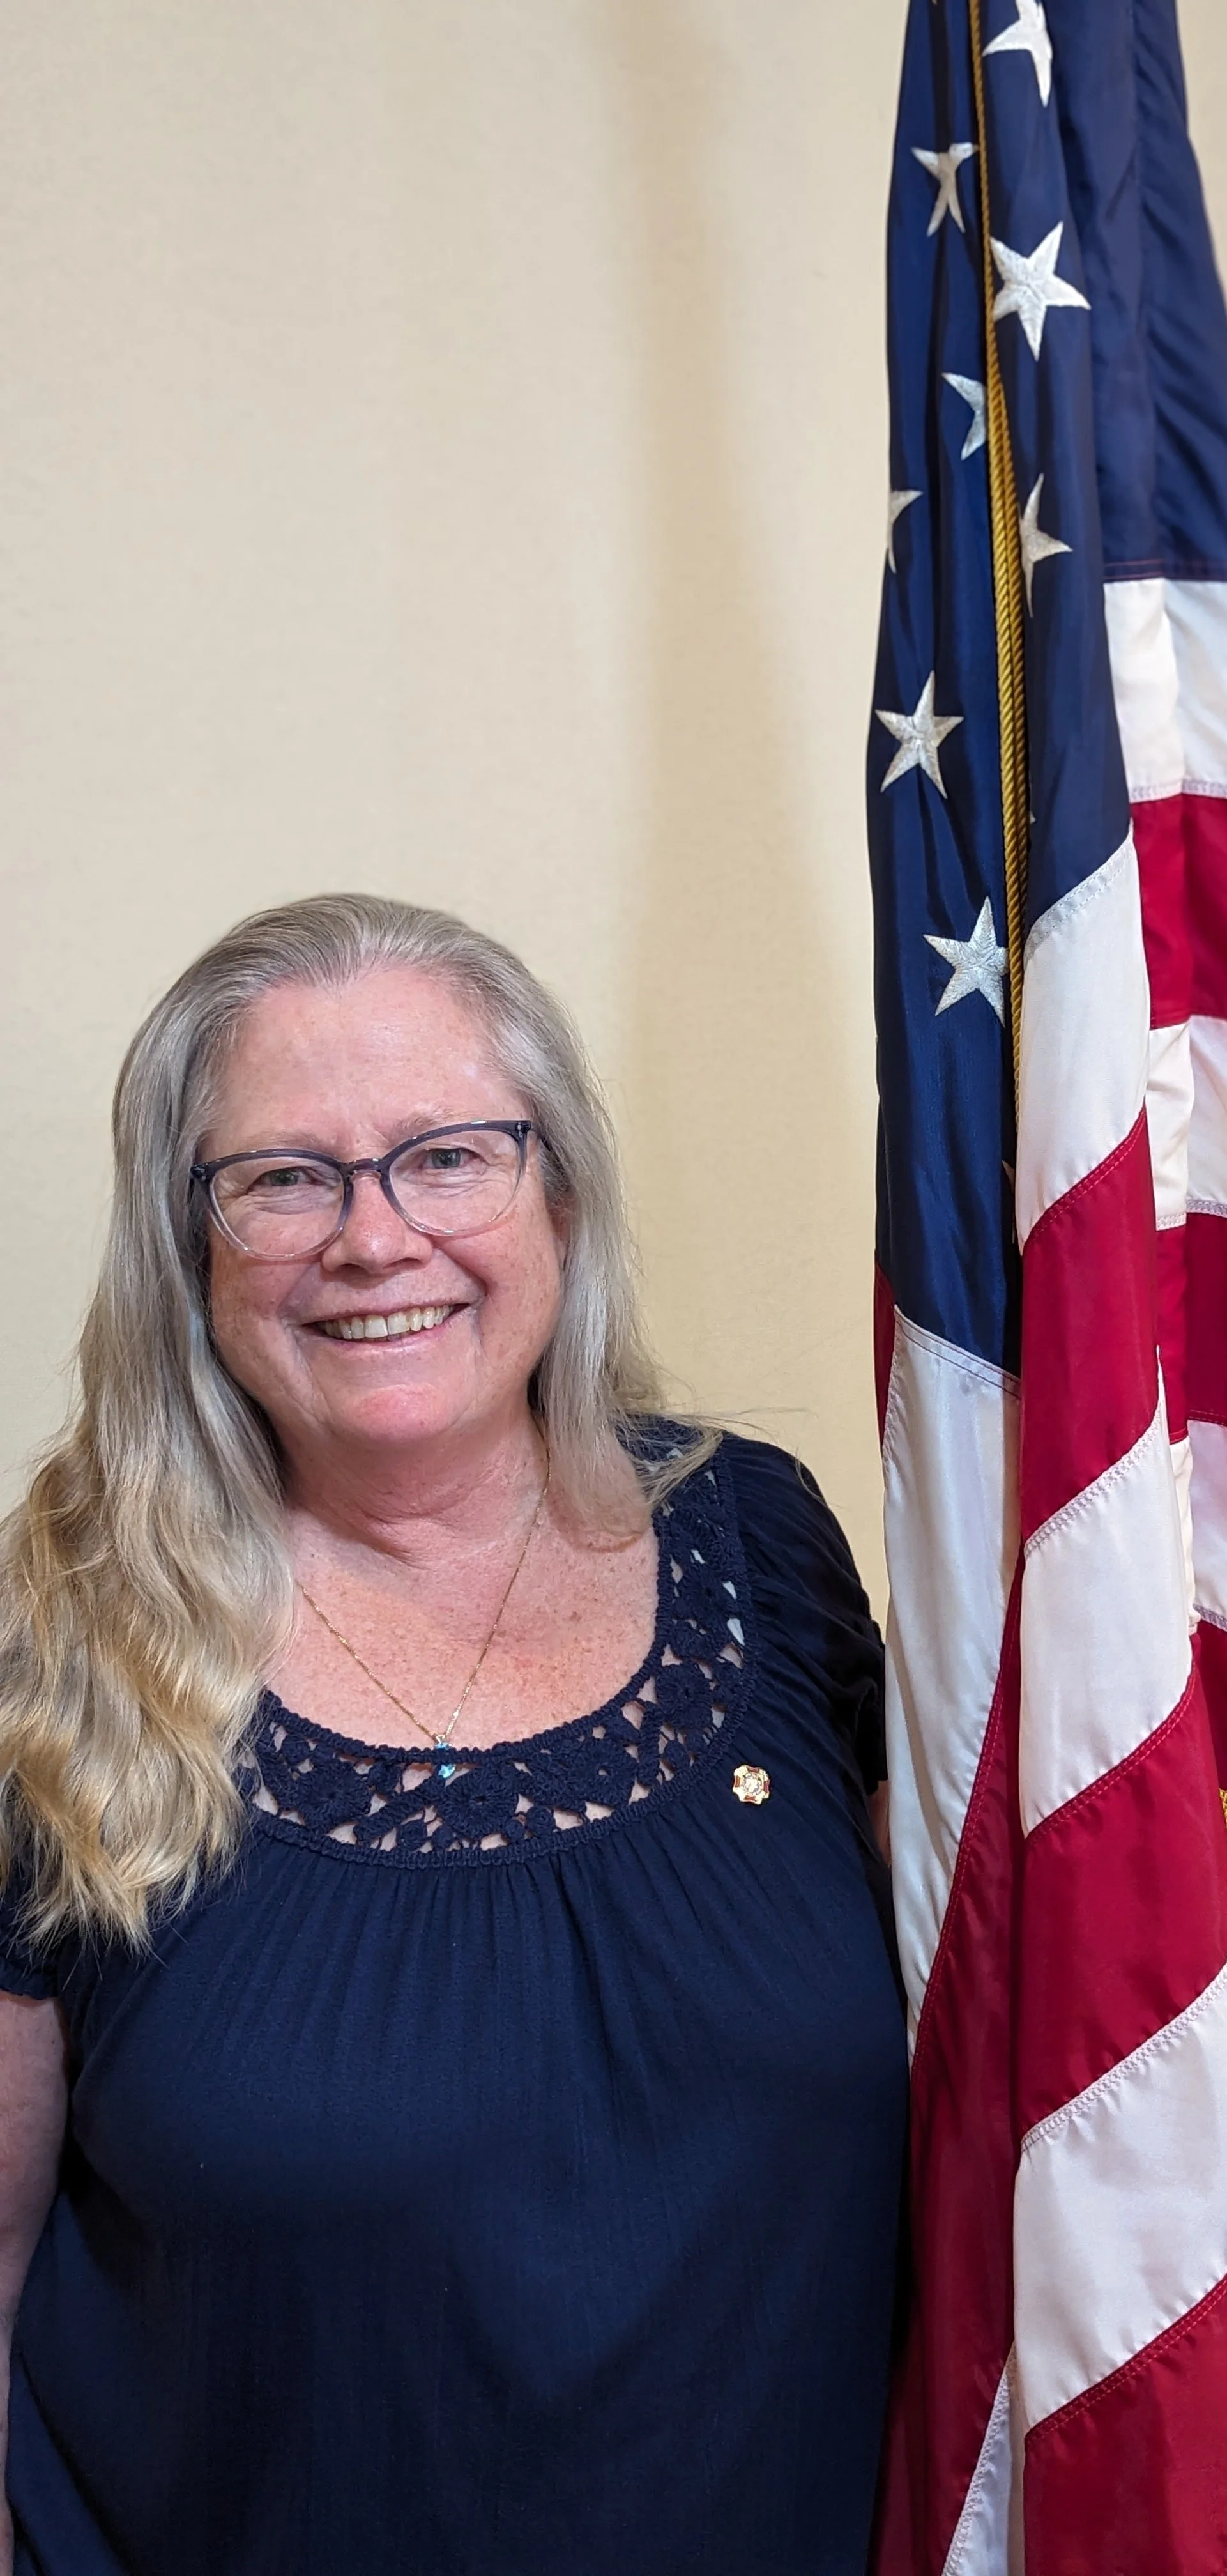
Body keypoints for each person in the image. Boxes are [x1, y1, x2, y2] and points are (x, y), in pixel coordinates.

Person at [0, 894, 906, 2576]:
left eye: (449, 1155)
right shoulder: (54, 1657)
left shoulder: (762, 1544)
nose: (372, 1237)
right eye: (282, 1178)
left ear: (557, 1193)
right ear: (187, 1251)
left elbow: (1002, 2056)